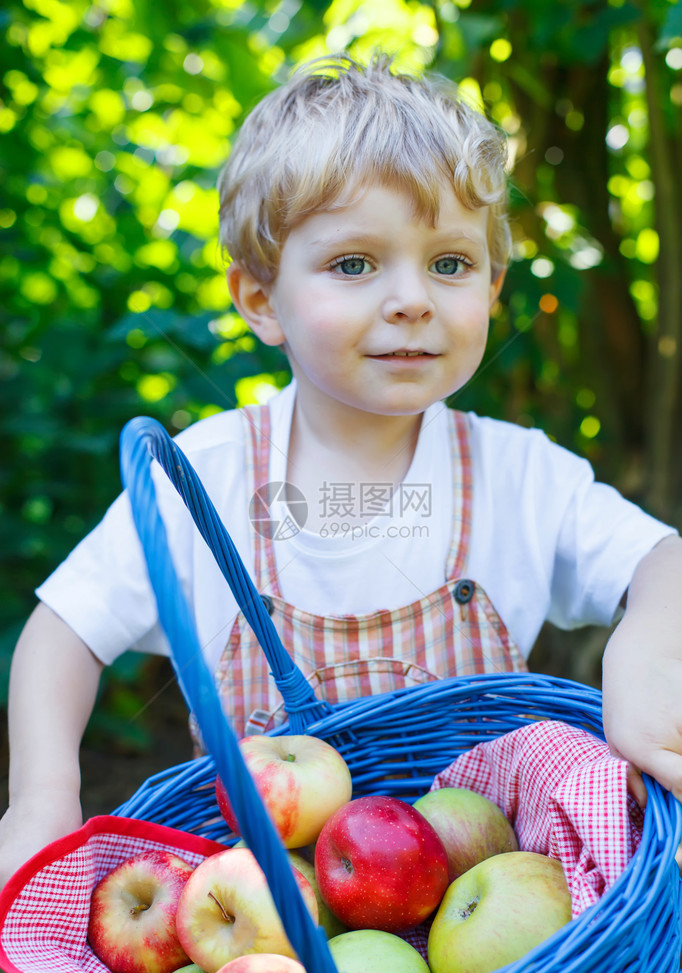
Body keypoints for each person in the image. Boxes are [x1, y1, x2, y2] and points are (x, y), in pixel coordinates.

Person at [2, 54, 681, 889]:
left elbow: (665, 561)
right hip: (263, 923)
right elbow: (61, 631)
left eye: (451, 263)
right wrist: (42, 796)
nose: (412, 299)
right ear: (259, 299)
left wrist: (649, 643)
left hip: (500, 923)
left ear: (494, 287)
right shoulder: (204, 477)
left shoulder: (521, 476)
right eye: (355, 264)